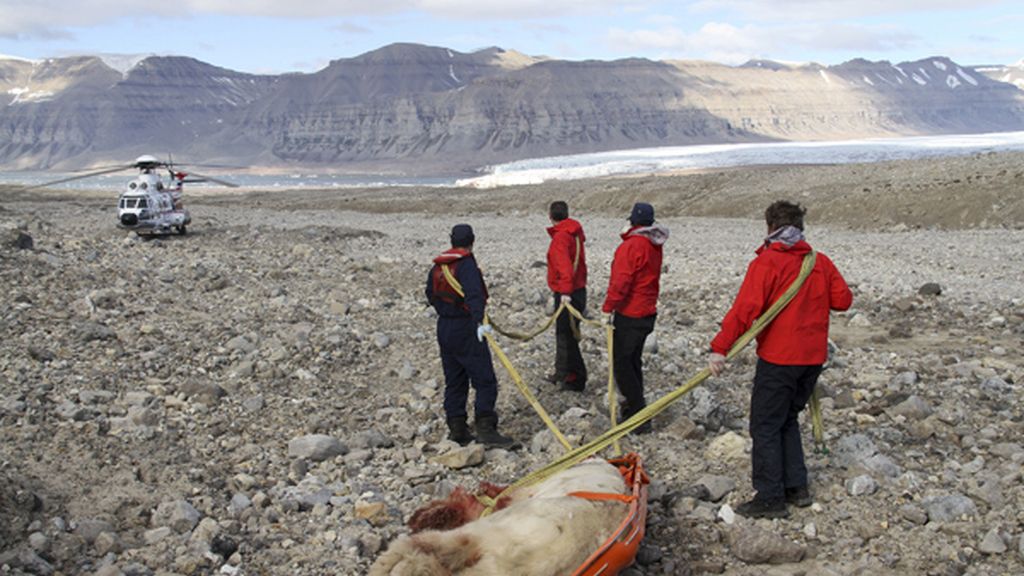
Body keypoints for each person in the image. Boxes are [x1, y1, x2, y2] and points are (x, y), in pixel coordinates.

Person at [708, 200, 852, 519]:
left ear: (771, 227)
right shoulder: (819, 261)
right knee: (787, 418)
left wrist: (719, 348)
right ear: (800, 227)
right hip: (812, 359)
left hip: (780, 358)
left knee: (766, 424)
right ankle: (796, 488)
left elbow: (745, 311)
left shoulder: (768, 262)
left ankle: (770, 497)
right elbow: (843, 301)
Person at [425, 224, 517, 448]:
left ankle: (457, 428)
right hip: (465, 328)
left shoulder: (439, 267)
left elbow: (430, 294)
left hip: (444, 327)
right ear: (472, 240)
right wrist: (478, 321)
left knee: (454, 380)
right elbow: (475, 295)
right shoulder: (466, 265)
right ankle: (485, 429)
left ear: (451, 240)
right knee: (485, 380)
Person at [601, 202, 669, 434]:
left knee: (622, 365)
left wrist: (608, 307)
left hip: (630, 313)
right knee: (633, 362)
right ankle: (636, 411)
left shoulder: (632, 246)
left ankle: (637, 416)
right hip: (646, 312)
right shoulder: (653, 244)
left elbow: (621, 281)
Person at [545, 201, 588, 391]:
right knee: (566, 334)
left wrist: (564, 293)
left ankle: (576, 378)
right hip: (578, 289)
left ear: (551, 216)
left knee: (566, 336)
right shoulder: (574, 233)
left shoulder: (561, 238)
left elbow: (564, 267)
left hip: (568, 292)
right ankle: (562, 372)